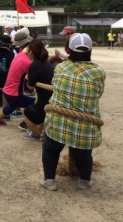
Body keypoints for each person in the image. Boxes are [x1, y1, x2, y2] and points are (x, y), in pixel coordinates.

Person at [41, 32, 106, 192]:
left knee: (50, 148)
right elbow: (98, 94)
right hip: (84, 126)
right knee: (84, 154)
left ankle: (50, 181)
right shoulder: (99, 72)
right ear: (90, 51)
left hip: (58, 122)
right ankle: (84, 181)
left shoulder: (61, 67)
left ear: (68, 50)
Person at [0, 28, 36, 126]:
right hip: (15, 93)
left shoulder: (19, 55)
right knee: (34, 104)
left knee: (13, 105)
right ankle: (25, 123)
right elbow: (33, 78)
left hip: (7, 90)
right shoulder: (26, 61)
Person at [21, 45, 58, 141]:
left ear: (31, 52)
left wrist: (28, 78)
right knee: (43, 114)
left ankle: (36, 134)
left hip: (44, 98)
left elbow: (30, 86)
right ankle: (40, 132)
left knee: (26, 112)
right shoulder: (46, 62)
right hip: (52, 98)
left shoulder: (34, 65)